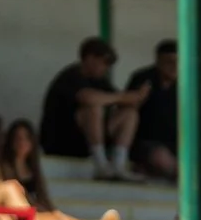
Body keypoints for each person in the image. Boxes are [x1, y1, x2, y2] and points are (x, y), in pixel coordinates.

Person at [39, 37, 143, 181]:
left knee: (130, 114)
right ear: (90, 58)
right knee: (94, 109)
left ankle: (118, 165)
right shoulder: (70, 76)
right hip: (62, 140)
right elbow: (88, 98)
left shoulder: (100, 80)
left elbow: (122, 101)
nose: (106, 68)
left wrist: (133, 97)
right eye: (104, 63)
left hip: (85, 143)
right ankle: (100, 165)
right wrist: (120, 97)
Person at [126, 40, 181, 182]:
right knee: (160, 157)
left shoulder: (186, 84)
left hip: (176, 143)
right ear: (158, 61)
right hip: (146, 142)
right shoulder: (143, 79)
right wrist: (138, 98)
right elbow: (125, 111)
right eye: (170, 61)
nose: (175, 66)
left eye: (179, 61)